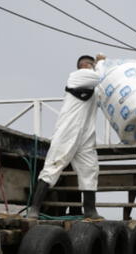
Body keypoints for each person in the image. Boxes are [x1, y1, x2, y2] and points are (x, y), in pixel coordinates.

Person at [28, 54, 106, 219]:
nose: (93, 67)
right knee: (53, 165)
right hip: (67, 131)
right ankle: (34, 208)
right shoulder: (76, 77)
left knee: (90, 169)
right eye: (91, 65)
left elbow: (105, 92)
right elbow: (100, 75)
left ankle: (90, 210)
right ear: (84, 66)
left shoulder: (95, 86)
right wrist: (101, 62)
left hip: (85, 133)